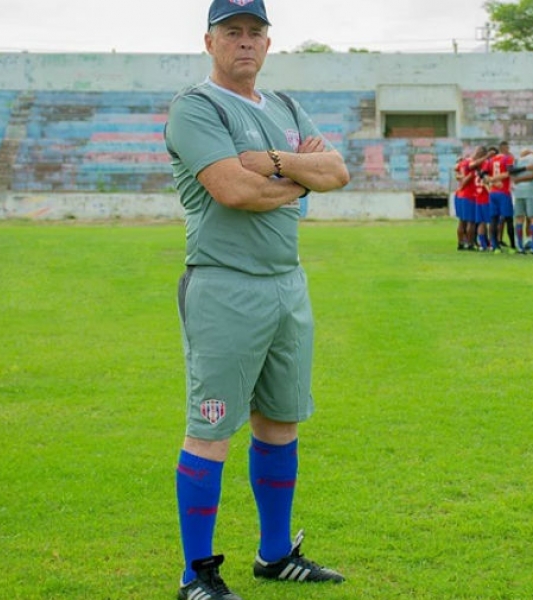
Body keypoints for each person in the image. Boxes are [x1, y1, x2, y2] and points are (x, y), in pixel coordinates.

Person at [163, 2, 349, 598]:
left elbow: (338, 171)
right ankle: (197, 576)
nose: (244, 42)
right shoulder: (197, 108)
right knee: (211, 429)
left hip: (286, 285)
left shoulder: (287, 108)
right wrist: (302, 177)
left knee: (280, 422)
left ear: (268, 45)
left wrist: (273, 164)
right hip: (225, 285)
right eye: (231, 32)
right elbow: (234, 190)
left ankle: (274, 556)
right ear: (209, 41)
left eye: (254, 33)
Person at [484, 141, 516, 253]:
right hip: (503, 192)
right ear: (505, 148)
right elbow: (510, 172)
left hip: (493, 193)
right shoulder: (507, 159)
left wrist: (492, 181)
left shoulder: (490, 160)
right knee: (508, 219)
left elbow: (483, 175)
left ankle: (495, 246)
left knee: (494, 219)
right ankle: (512, 246)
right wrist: (496, 180)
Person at [511, 148, 533, 254]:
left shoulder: (517, 161)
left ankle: (520, 247)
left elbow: (511, 173)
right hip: (530, 190)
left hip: (518, 191)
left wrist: (519, 180)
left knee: (519, 218)